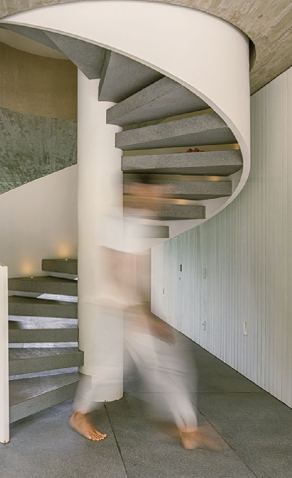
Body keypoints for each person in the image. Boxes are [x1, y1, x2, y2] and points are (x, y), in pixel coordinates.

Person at [69, 177, 220, 449]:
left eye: (160, 194)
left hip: (131, 310)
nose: (158, 199)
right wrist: (144, 313)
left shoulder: (139, 222)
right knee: (124, 369)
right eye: (154, 193)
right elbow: (117, 269)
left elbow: (137, 272)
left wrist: (147, 310)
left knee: (162, 367)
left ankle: (188, 428)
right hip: (118, 311)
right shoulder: (119, 222)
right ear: (137, 190)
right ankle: (79, 415)